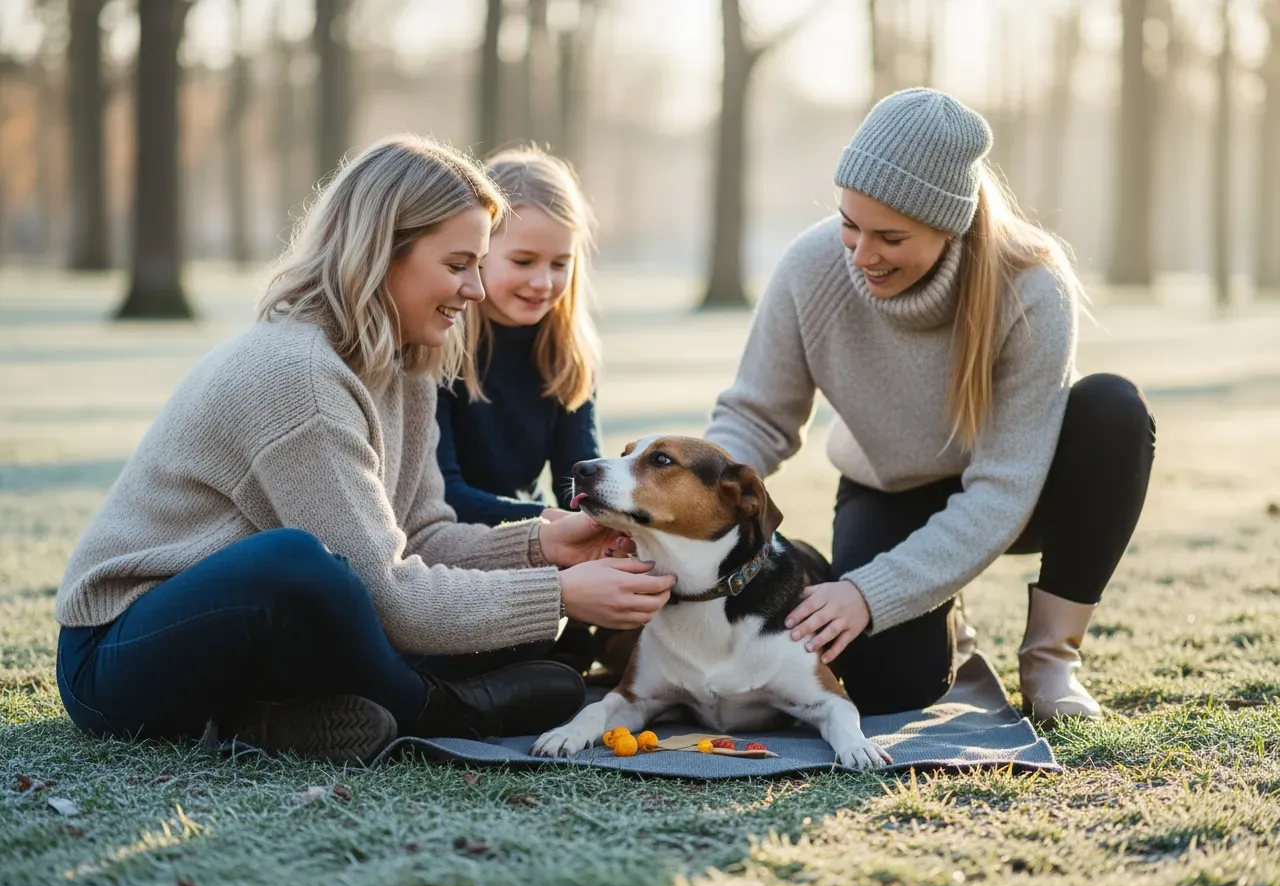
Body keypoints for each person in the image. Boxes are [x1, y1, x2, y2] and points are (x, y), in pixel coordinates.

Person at [54, 135, 674, 764]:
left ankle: (272, 720)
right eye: (458, 265)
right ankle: (440, 709)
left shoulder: (409, 364)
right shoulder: (297, 375)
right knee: (295, 562)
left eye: (479, 265)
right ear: (382, 253)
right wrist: (559, 594)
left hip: (262, 641)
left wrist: (542, 547)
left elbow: (422, 534)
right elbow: (389, 597)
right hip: (119, 655)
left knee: (498, 622)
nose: (476, 290)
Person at [704, 88, 1155, 724]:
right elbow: (757, 416)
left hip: (1020, 492)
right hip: (891, 488)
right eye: (849, 224)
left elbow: (1002, 488)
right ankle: (924, 604)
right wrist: (689, 500)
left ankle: (1051, 660)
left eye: (889, 236)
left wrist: (871, 592)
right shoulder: (811, 267)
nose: (861, 254)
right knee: (887, 685)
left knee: (1113, 409)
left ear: (950, 227)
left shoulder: (1029, 285)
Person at [436, 147, 600, 528]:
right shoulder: (439, 345)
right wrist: (550, 522)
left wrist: (600, 526)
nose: (543, 282)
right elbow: (443, 494)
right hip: (450, 543)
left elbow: (579, 488)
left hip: (540, 536)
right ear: (478, 253)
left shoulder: (569, 354)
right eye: (523, 261)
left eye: (560, 264)